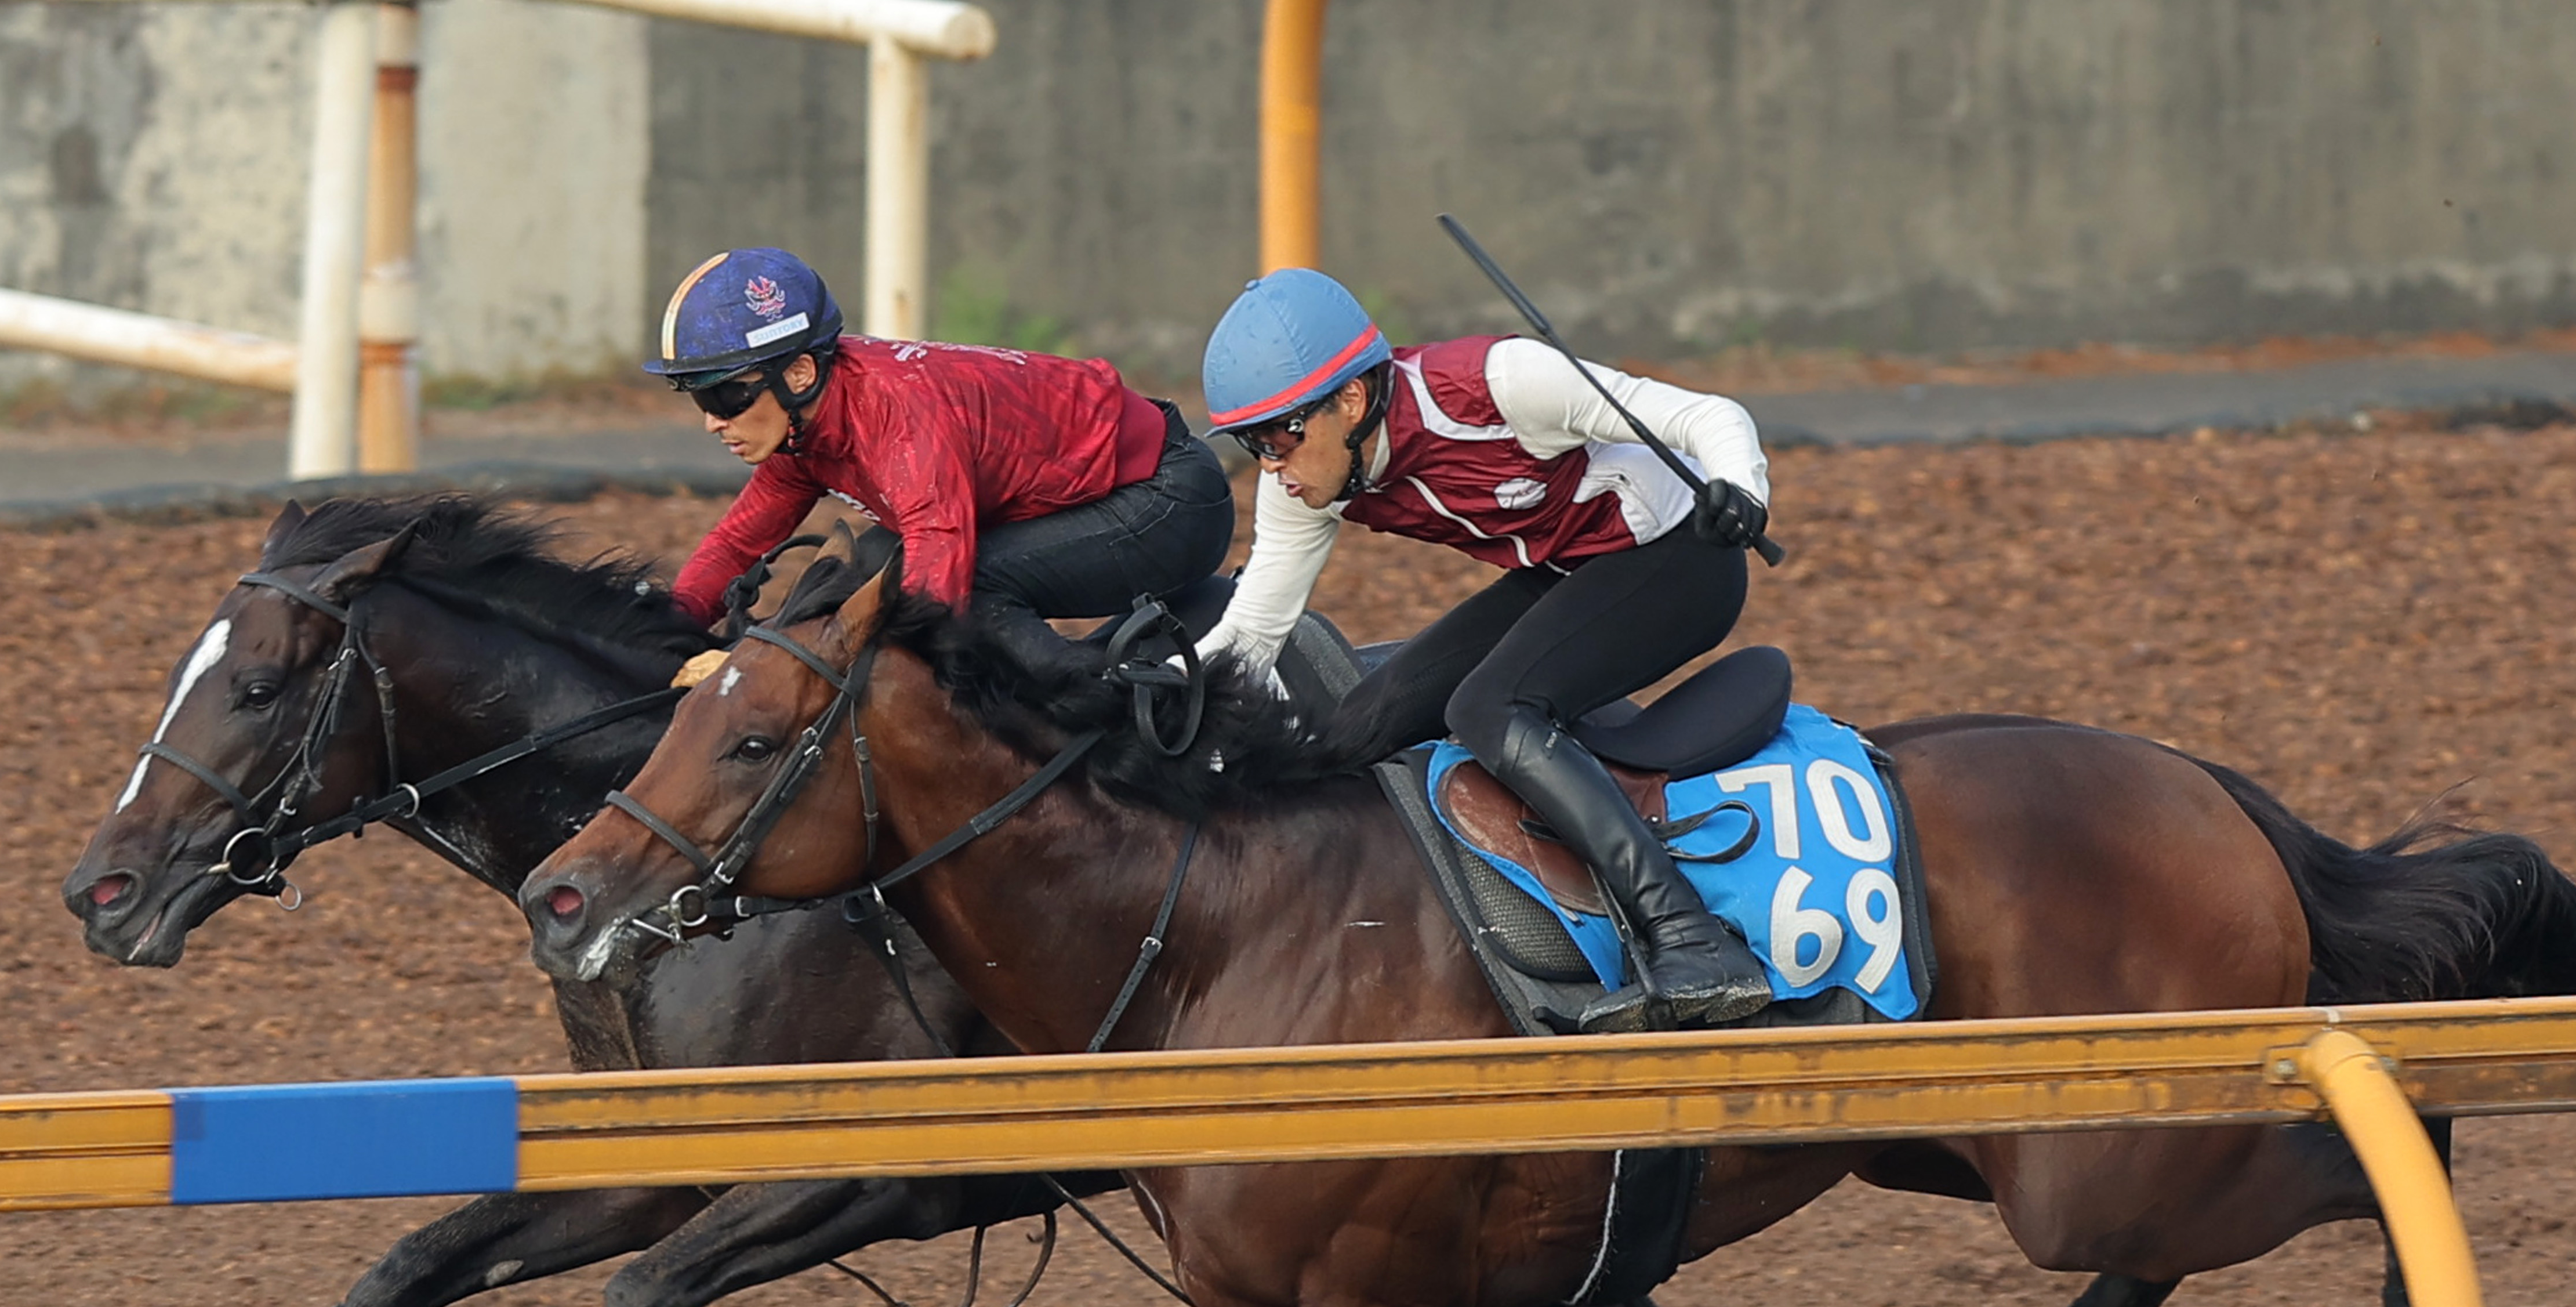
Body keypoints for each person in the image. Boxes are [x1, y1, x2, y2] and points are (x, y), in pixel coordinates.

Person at [1192, 267, 1781, 1034]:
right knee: (1344, 733)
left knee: (1486, 706)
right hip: (1566, 571)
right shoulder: (1305, 478)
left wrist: (1741, 486)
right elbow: (1251, 635)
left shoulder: (1503, 384)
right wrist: (1152, 701)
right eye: (1250, 443)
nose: (1270, 466)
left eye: (1278, 438)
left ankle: (1690, 936)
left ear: (1351, 401)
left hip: (1679, 559)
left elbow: (1707, 415)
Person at [652, 248, 1234, 683]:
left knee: (956, 594)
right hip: (1109, 492)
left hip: (1168, 501)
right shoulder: (807, 425)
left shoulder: (897, 414)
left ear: (799, 374)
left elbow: (933, 608)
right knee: (872, 564)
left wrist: (749, 670)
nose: (712, 422)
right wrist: (654, 640)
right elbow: (733, 546)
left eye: (725, 398)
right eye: (700, 400)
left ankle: (1089, 713)